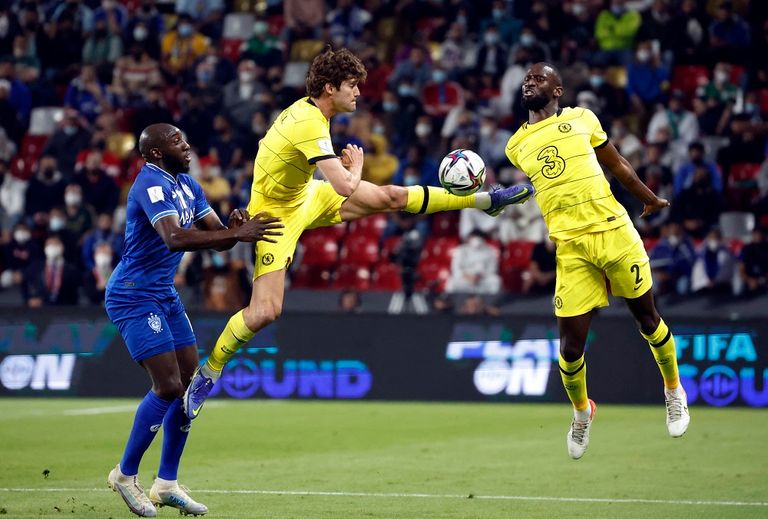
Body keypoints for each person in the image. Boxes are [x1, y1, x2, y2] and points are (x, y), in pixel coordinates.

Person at [184, 48, 534, 418]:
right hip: (275, 219)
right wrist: (358, 167)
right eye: (352, 85)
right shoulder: (308, 122)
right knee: (265, 311)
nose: (358, 93)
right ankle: (208, 373)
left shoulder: (316, 113)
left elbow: (333, 182)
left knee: (392, 195)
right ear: (330, 88)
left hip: (305, 196)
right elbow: (344, 187)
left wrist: (349, 174)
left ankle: (486, 201)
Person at [504, 63, 689, 460]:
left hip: (614, 231)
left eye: (539, 78)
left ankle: (673, 389)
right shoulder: (515, 144)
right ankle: (582, 412)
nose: (529, 82)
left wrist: (648, 197)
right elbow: (545, 182)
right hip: (570, 248)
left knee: (648, 319)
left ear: (557, 90)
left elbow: (616, 163)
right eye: (526, 78)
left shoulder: (583, 119)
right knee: (570, 348)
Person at [104, 123, 282, 517]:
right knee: (167, 385)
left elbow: (219, 235)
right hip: (133, 294)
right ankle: (125, 474)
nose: (186, 145)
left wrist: (238, 226)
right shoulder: (150, 184)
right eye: (176, 141)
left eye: (185, 138)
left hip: (163, 293)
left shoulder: (188, 185)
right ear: (154, 153)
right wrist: (238, 234)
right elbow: (175, 238)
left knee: (190, 385)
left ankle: (166, 483)